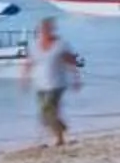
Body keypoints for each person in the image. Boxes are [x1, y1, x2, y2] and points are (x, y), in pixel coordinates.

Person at [22, 17, 82, 146]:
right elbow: (29, 62)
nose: (44, 32)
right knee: (47, 113)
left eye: (47, 29)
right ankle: (60, 136)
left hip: (57, 83)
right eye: (42, 30)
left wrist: (76, 78)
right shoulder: (33, 45)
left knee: (47, 110)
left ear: (52, 30)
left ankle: (60, 133)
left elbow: (70, 61)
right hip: (40, 84)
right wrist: (24, 78)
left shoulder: (60, 44)